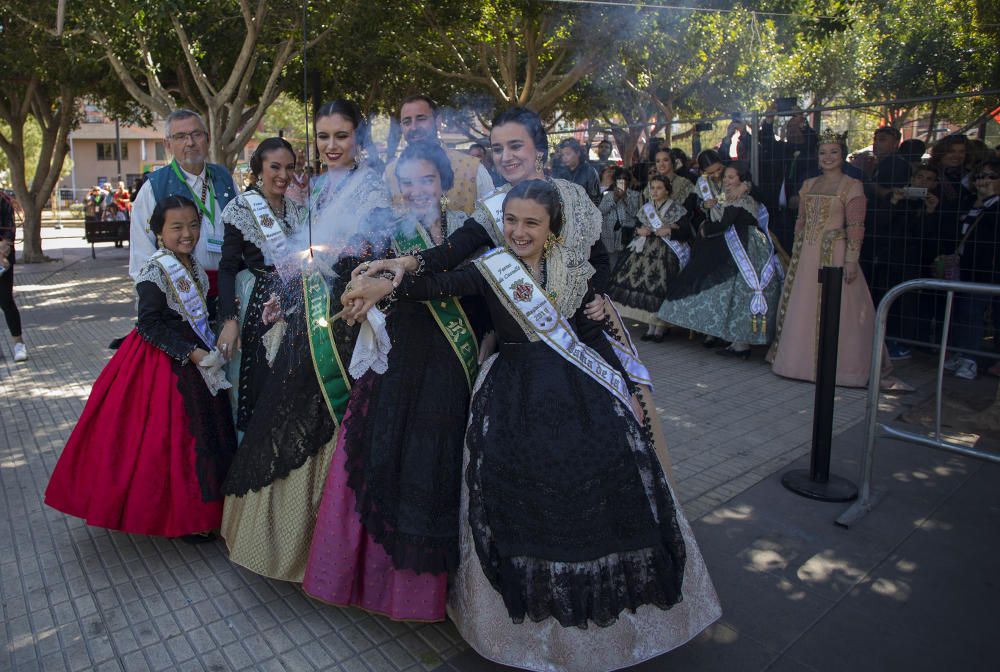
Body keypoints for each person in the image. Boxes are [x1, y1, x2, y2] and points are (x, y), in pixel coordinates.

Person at [351, 179, 720, 670]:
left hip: (578, 390)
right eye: (509, 221)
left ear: (552, 229)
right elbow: (435, 286)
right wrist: (387, 281)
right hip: (514, 394)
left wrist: (628, 391)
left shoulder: (573, 270)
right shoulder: (489, 268)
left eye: (530, 223)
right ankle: (533, 630)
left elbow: (590, 335)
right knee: (521, 498)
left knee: (594, 490)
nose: (517, 232)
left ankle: (594, 627)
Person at [302, 141, 486, 620]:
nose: (417, 190)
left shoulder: (469, 230)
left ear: (444, 182)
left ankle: (425, 595)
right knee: (377, 459)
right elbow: (348, 271)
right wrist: (357, 285)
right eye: (408, 182)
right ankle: (367, 582)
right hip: (397, 359)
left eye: (427, 180)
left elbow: (480, 294)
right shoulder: (385, 227)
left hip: (448, 361)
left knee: (433, 466)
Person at [219, 99, 392, 583]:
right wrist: (284, 300)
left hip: (348, 320)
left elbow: (373, 252)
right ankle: (280, 544)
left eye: (341, 135)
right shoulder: (313, 191)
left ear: (358, 137)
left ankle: (333, 556)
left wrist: (331, 258)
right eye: (323, 137)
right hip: (309, 320)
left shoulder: (373, 187)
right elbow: (302, 257)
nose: (331, 146)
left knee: (332, 420)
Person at [44, 196, 236, 540]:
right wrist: (190, 353)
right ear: (159, 232)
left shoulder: (191, 264)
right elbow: (149, 323)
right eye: (176, 227)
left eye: (193, 224)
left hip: (193, 352)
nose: (187, 233)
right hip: (164, 361)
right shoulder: (155, 270)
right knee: (171, 440)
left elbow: (199, 308)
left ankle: (209, 508)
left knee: (203, 434)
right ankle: (181, 516)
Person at [767, 130, 879, 386]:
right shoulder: (809, 184)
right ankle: (797, 363)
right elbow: (802, 220)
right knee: (803, 304)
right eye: (823, 152)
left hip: (835, 252)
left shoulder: (853, 185)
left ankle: (842, 369)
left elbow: (856, 226)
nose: (828, 157)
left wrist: (851, 259)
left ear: (843, 154)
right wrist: (796, 248)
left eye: (834, 152)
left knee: (838, 306)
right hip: (807, 253)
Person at [216, 137, 305, 432]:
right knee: (254, 386)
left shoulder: (297, 210)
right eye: (275, 167)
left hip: (293, 303)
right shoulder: (241, 209)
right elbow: (227, 268)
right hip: (254, 307)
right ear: (258, 168)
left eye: (289, 168)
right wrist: (229, 319)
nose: (283, 175)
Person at [659, 164, 781, 357]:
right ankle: (737, 342)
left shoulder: (739, 198)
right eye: (725, 177)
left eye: (731, 177)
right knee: (736, 293)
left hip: (744, 248)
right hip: (747, 245)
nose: (726, 180)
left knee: (740, 291)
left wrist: (705, 228)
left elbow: (724, 223)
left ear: (742, 180)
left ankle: (740, 343)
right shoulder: (731, 197)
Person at [129, 109, 239, 305]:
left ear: (208, 138)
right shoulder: (154, 187)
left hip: (228, 290)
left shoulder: (224, 179)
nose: (190, 142)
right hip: (180, 296)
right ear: (168, 144)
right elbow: (142, 255)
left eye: (197, 134)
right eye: (180, 136)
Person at [607, 174, 694, 342]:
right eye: (652, 188)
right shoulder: (646, 208)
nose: (654, 191)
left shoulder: (676, 209)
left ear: (667, 191)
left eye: (659, 188)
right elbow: (634, 227)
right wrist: (639, 231)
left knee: (660, 287)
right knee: (646, 287)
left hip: (666, 254)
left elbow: (686, 232)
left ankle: (660, 327)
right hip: (644, 252)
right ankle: (650, 326)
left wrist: (669, 230)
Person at [384, 95, 494, 215]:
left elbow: (493, 223)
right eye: (407, 122)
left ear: (438, 122)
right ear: (401, 128)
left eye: (421, 119)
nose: (414, 127)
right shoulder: (390, 173)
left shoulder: (473, 169)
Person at [942, 159, 1000, 381]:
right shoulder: (969, 202)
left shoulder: (995, 207)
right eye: (979, 177)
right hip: (964, 268)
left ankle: (971, 360)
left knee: (974, 313)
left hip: (987, 271)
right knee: (962, 313)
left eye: (990, 177)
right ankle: (962, 354)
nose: (983, 181)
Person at [0, 192, 26, 362]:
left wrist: (2, 252)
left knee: (5, 300)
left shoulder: (4, 201)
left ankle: (19, 344)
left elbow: (9, 231)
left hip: (2, 258)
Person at [597, 166, 639, 265]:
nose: (622, 181)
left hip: (626, 232)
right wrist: (615, 199)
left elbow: (635, 213)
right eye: (619, 179)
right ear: (615, 180)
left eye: (625, 179)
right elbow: (601, 211)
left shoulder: (635, 195)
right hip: (610, 234)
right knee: (612, 261)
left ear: (629, 181)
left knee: (625, 261)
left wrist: (625, 198)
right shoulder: (608, 195)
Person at [553, 137, 601, 205]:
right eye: (563, 155)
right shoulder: (561, 172)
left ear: (578, 153)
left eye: (568, 154)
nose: (565, 157)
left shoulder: (589, 171)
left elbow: (595, 199)